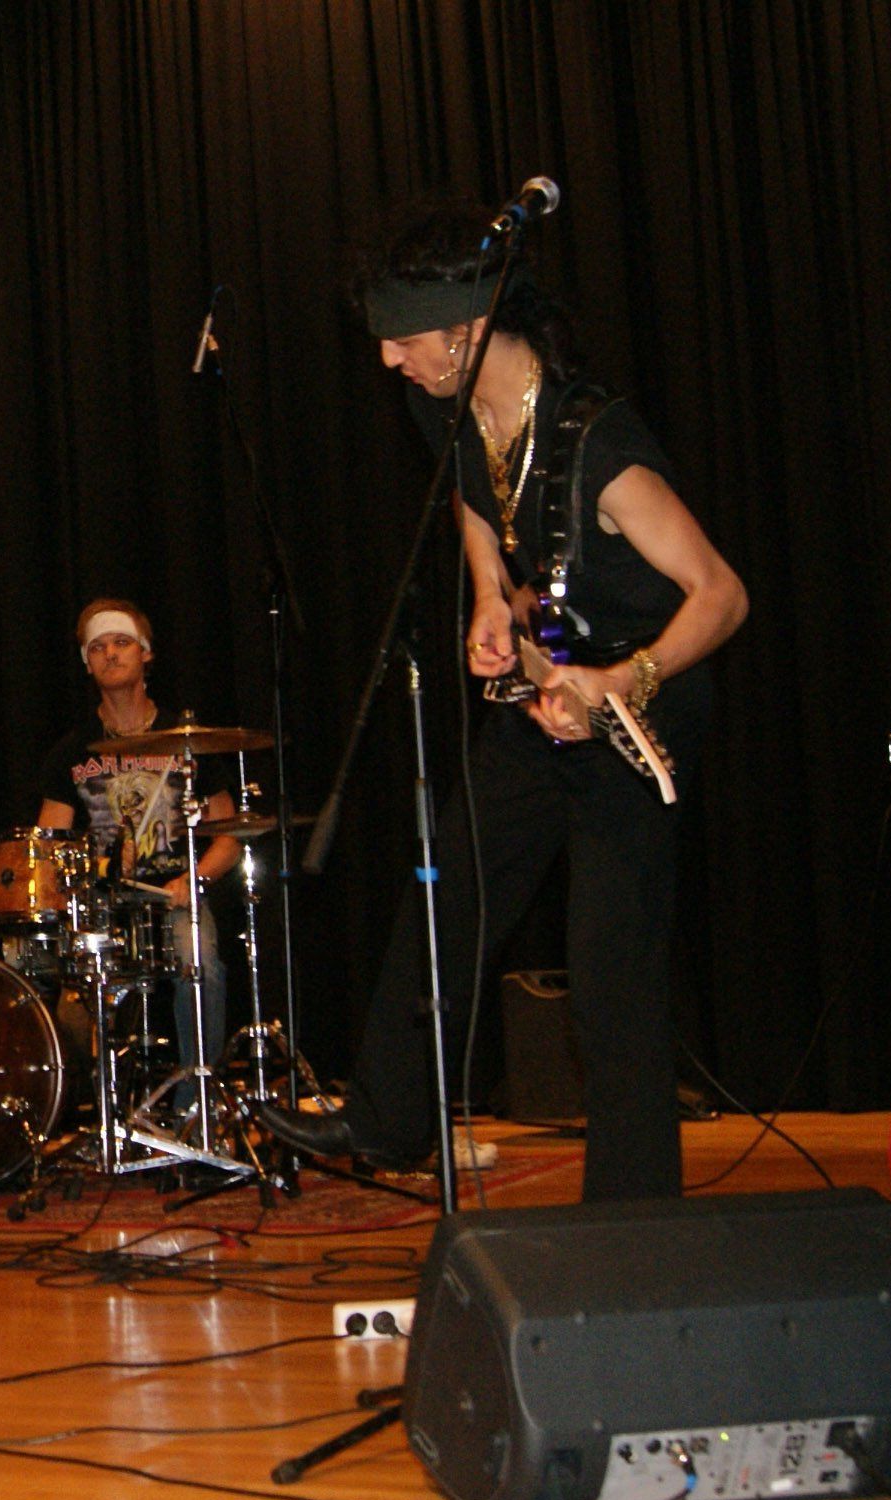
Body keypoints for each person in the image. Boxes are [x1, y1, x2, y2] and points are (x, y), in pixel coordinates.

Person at [255, 201, 747, 1201]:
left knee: (610, 968)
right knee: (448, 894)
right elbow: (471, 495)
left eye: (403, 341)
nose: (388, 360)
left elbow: (722, 594)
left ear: (467, 330)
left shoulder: (601, 447)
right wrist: (489, 592)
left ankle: (632, 1209)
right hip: (547, 694)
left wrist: (622, 680)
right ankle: (387, 1118)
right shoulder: (446, 407)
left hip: (641, 706)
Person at [35, 599, 243, 1068]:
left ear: (146, 653)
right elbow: (48, 846)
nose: (110, 654)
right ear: (87, 663)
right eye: (98, 647)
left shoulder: (186, 740)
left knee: (201, 965)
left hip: (176, 897)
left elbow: (230, 836)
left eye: (122, 643)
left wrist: (194, 880)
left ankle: (196, 1095)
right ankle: (102, 1102)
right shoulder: (71, 751)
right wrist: (92, 873)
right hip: (105, 904)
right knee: (70, 1004)